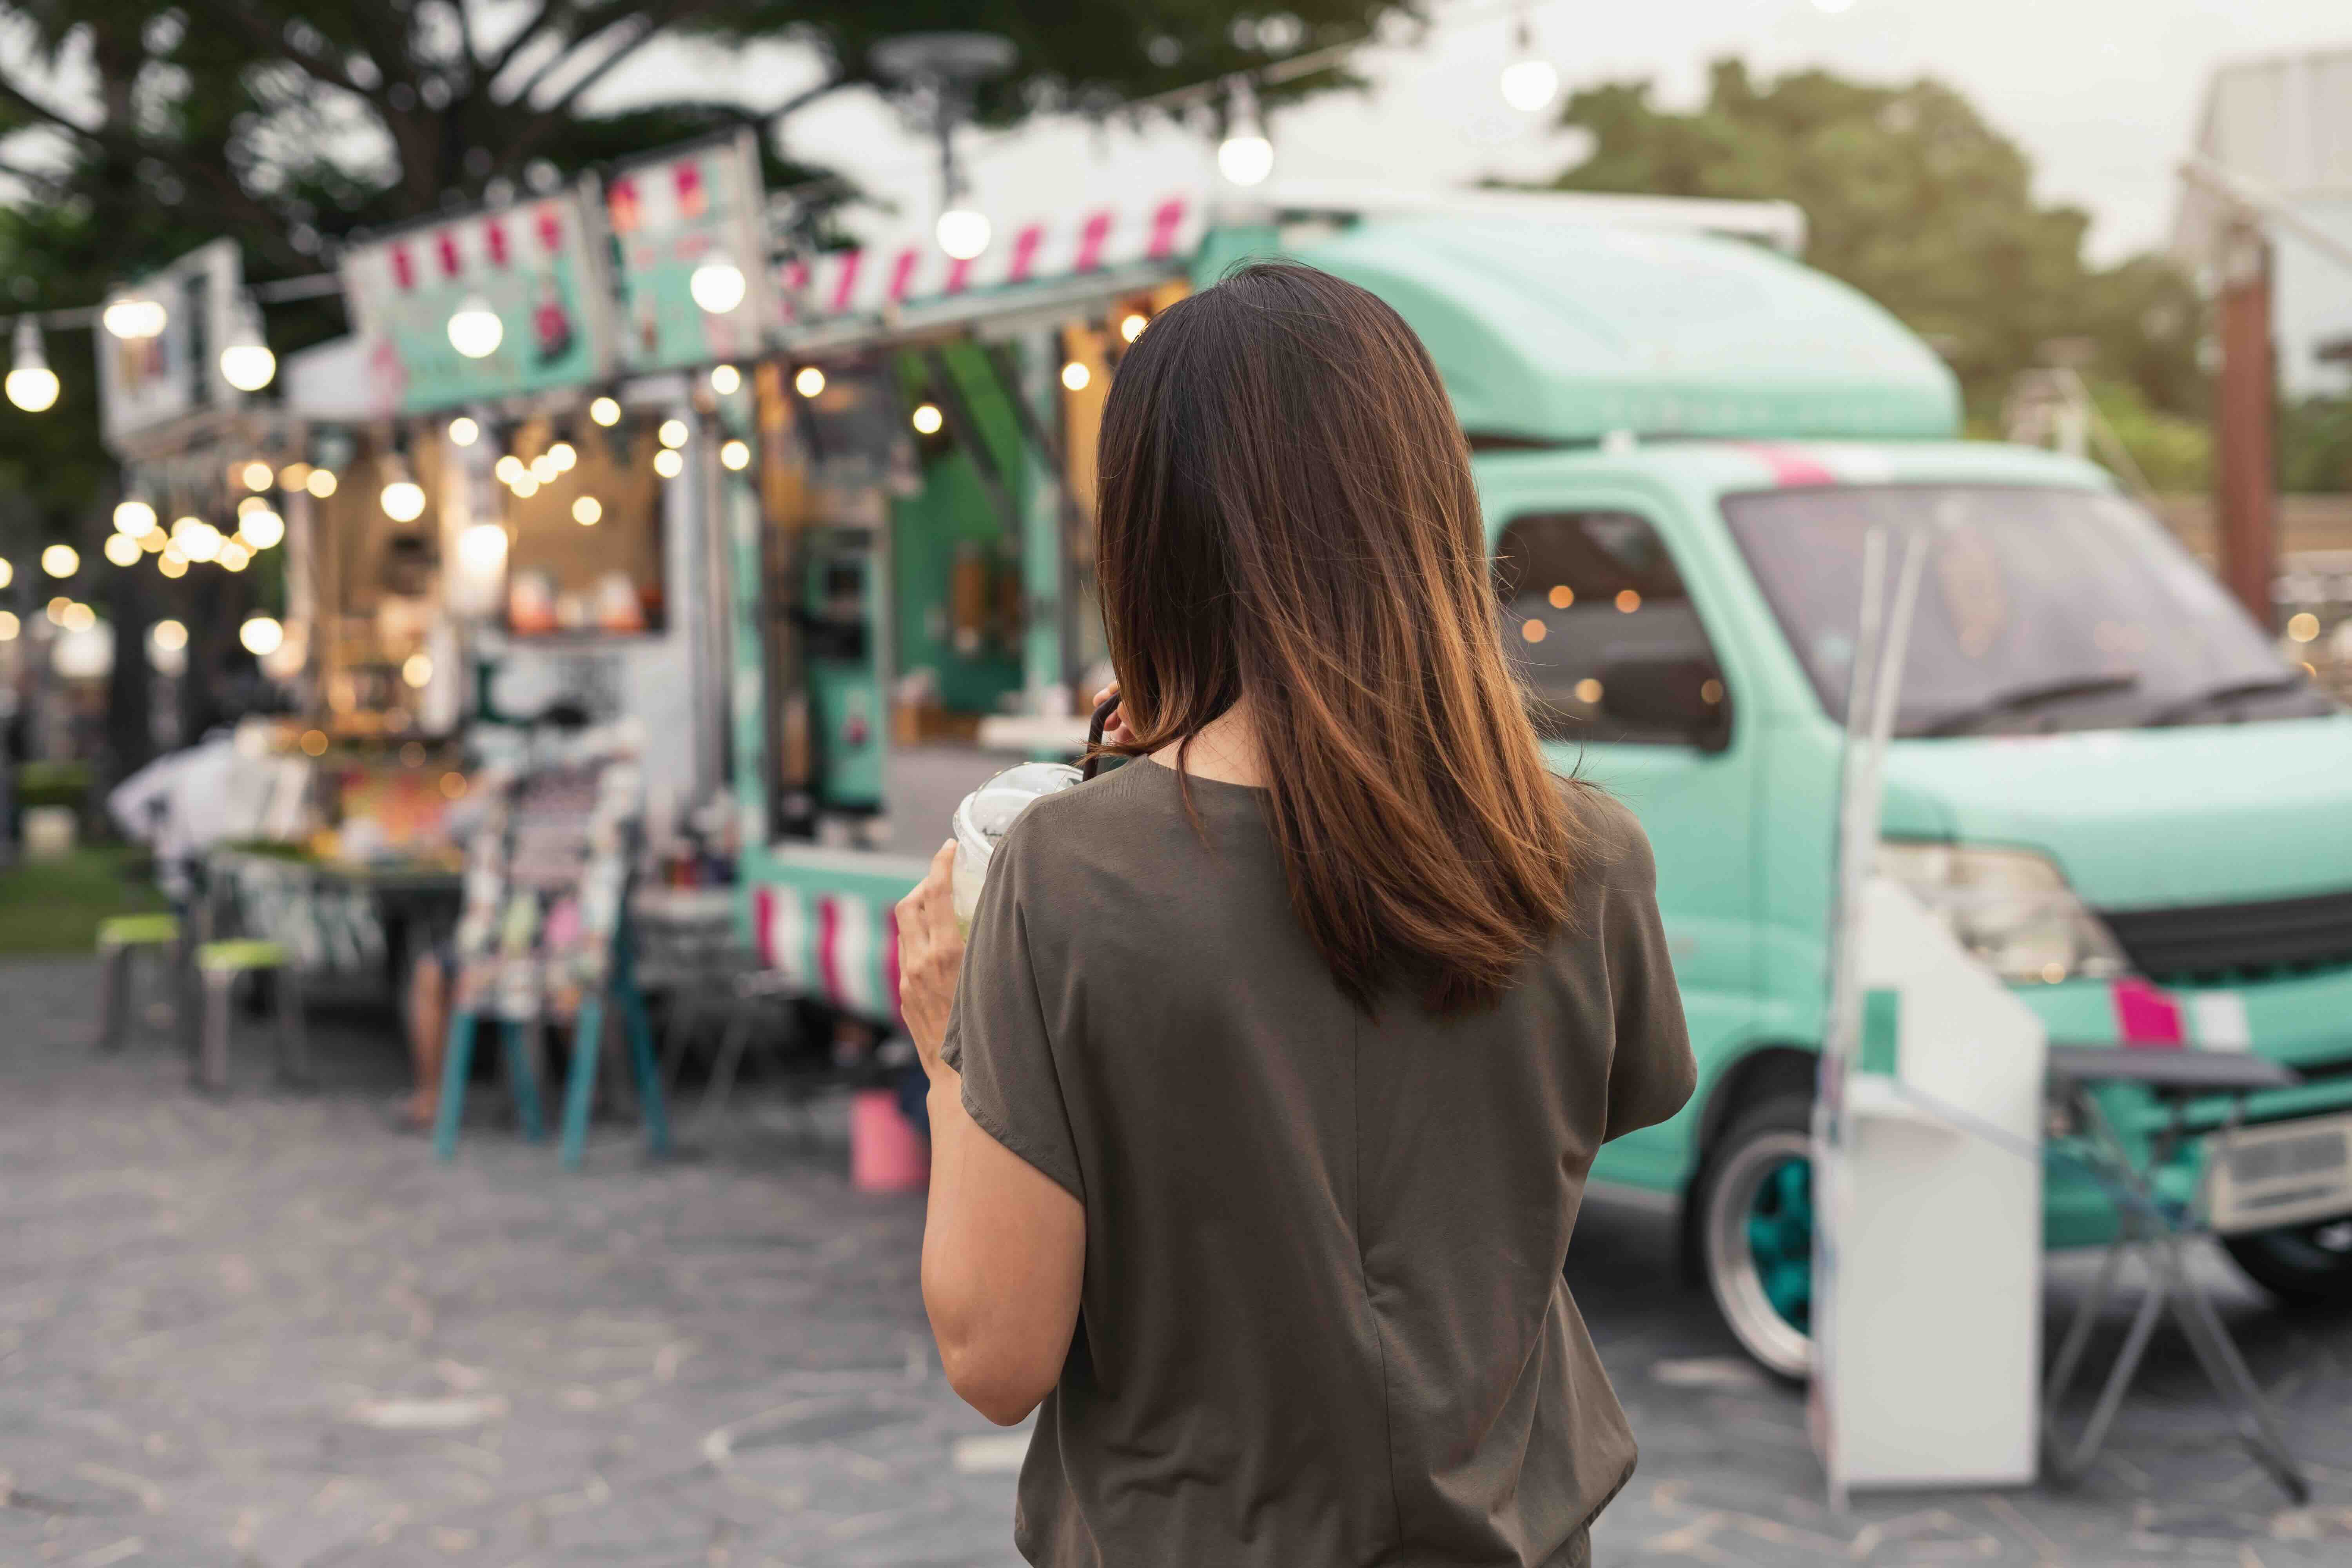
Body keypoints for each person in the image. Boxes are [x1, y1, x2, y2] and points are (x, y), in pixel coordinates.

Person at [893, 263, 1697, 1568]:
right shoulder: (1585, 855)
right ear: (1431, 502)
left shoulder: (1070, 872)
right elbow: (1527, 1166)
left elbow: (997, 1352)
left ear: (1150, 536)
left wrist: (948, 1044)